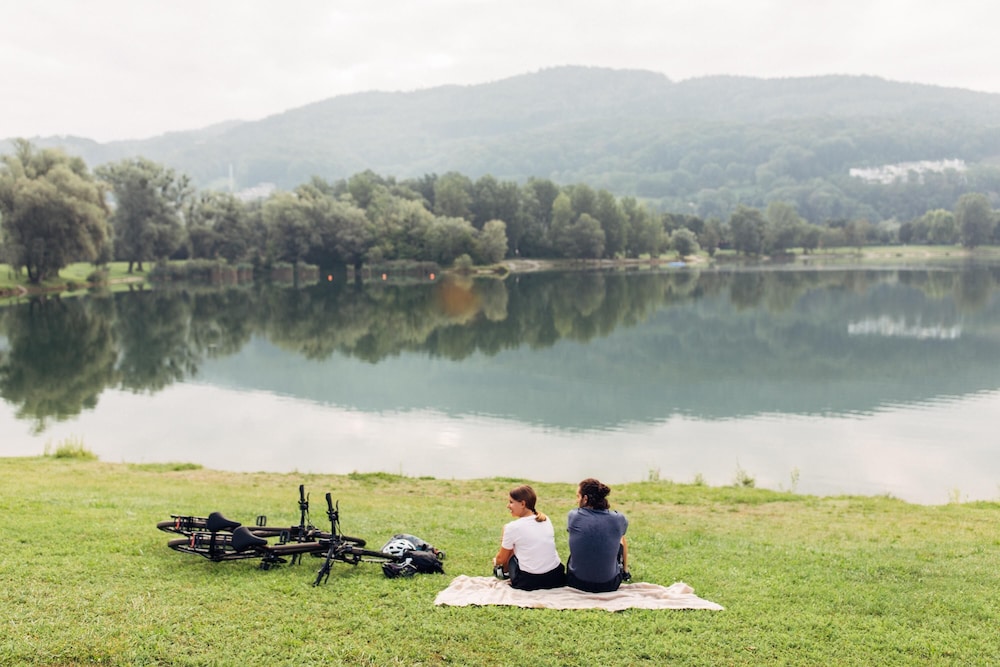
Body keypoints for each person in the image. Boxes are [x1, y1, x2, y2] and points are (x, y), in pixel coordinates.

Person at [493, 485, 566, 590]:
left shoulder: (512, 528)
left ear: (523, 504)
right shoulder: (546, 519)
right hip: (556, 578)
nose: (508, 506)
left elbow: (501, 559)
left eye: (511, 502)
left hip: (529, 582)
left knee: (509, 553)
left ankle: (505, 573)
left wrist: (496, 562)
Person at [566, 477, 629, 593]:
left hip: (577, 583)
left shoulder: (573, 516)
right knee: (621, 537)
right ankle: (625, 572)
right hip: (609, 585)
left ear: (585, 499)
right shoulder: (619, 519)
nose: (576, 501)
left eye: (578, 496)